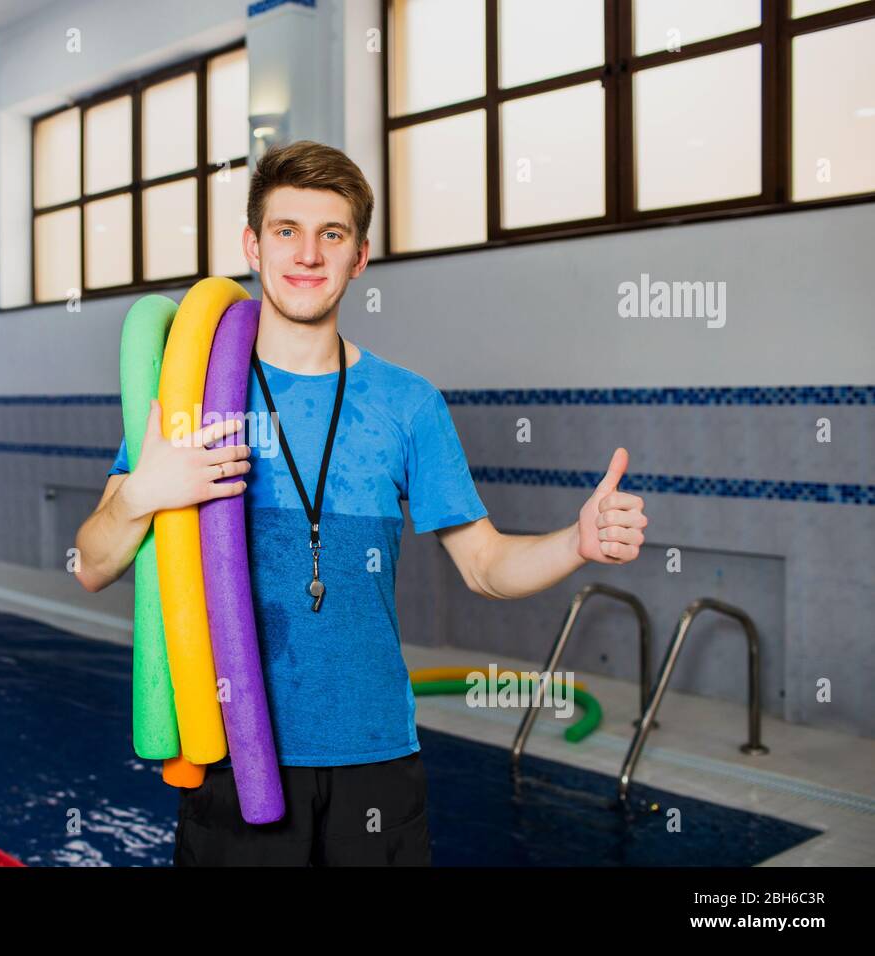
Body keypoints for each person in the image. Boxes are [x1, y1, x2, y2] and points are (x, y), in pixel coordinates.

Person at [74, 140, 648, 866]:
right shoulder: (184, 402)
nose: (307, 254)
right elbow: (90, 564)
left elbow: (485, 563)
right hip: (233, 748)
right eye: (286, 231)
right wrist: (141, 499)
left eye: (331, 234)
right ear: (253, 245)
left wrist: (576, 541)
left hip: (374, 758)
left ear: (360, 257)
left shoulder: (409, 405)